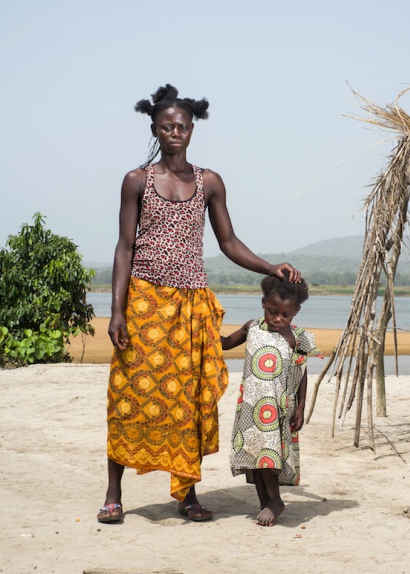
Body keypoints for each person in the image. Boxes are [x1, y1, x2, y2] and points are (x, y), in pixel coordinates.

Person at [98, 84, 300, 524]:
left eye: (183, 127)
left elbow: (228, 242)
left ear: (193, 131)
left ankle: (187, 494)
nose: (175, 133)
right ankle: (114, 492)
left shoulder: (210, 182)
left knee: (188, 399)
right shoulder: (136, 180)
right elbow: (124, 247)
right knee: (128, 394)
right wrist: (116, 310)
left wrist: (271, 266)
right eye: (167, 126)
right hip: (145, 303)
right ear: (155, 128)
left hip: (191, 306)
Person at [221, 275, 322, 526]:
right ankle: (265, 503)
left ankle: (276, 501)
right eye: (272, 311)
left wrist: (300, 407)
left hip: (277, 408)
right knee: (254, 455)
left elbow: (302, 374)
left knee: (268, 455)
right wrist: (206, 324)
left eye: (285, 314)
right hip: (250, 406)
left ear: (296, 311)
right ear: (263, 303)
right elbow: (224, 344)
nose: (278, 319)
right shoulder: (251, 327)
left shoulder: (297, 337)